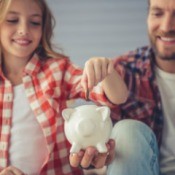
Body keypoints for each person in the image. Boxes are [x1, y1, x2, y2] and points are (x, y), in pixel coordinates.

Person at [0, 0, 128, 175]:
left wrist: (106, 71)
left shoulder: (58, 70)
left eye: (35, 22)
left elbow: (117, 97)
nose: (24, 29)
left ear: (43, 28)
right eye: (12, 20)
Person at [92, 0, 175, 174]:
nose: (167, 26)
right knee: (127, 130)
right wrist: (98, 157)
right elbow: (101, 150)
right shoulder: (123, 70)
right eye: (157, 13)